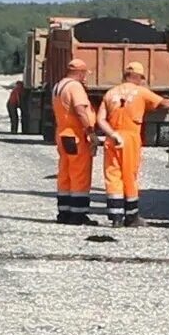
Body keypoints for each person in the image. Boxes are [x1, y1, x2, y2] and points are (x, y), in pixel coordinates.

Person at [95, 61, 169, 227]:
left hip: (113, 137)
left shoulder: (110, 93)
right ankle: (131, 217)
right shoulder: (141, 92)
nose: (141, 81)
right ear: (137, 76)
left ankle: (115, 218)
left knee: (113, 176)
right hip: (130, 137)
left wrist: (112, 134)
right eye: (141, 78)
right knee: (130, 176)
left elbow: (100, 119)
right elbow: (164, 103)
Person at [51, 59, 98, 225]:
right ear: (80, 72)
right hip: (75, 135)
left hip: (62, 134)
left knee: (65, 173)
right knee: (79, 174)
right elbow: (80, 110)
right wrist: (91, 133)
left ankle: (63, 212)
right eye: (84, 74)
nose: (85, 77)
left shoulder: (58, 86)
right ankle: (78, 215)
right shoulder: (75, 87)